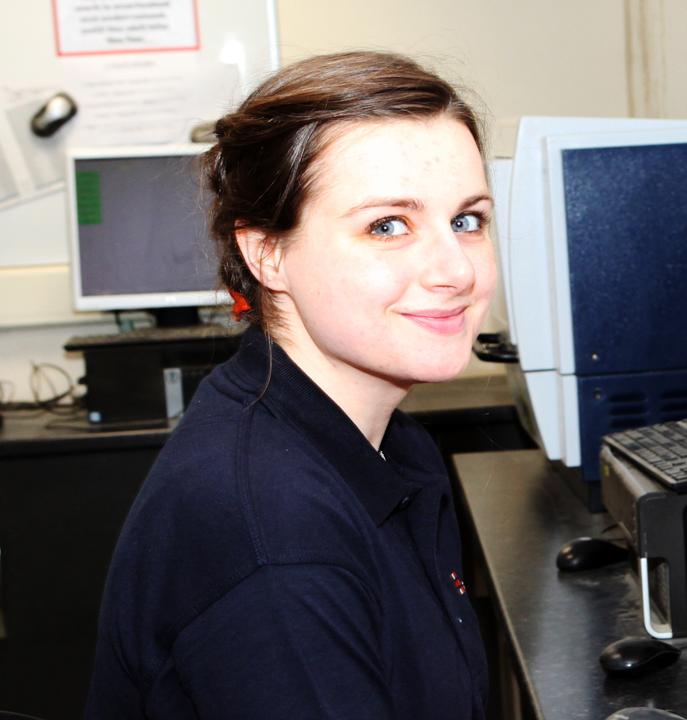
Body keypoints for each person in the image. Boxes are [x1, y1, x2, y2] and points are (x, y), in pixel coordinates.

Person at [87, 51, 493, 720]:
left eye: (467, 220)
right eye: (387, 225)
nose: (456, 270)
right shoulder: (279, 540)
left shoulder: (390, 444)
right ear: (267, 253)